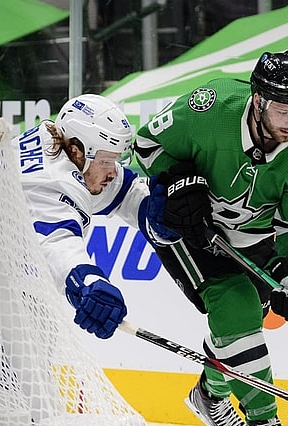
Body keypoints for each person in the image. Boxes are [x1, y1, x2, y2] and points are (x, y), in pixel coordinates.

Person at [134, 50, 288, 426]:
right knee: (235, 304)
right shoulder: (211, 108)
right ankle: (265, 425)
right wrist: (178, 179)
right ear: (258, 101)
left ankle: (209, 395)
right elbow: (146, 146)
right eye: (283, 111)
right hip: (187, 229)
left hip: (251, 237)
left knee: (240, 326)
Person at [13, 94, 172, 340]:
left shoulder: (57, 144)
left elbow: (123, 190)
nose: (112, 171)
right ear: (76, 151)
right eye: (106, 161)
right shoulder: (51, 181)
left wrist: (151, 208)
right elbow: (55, 243)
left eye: (115, 160)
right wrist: (88, 281)